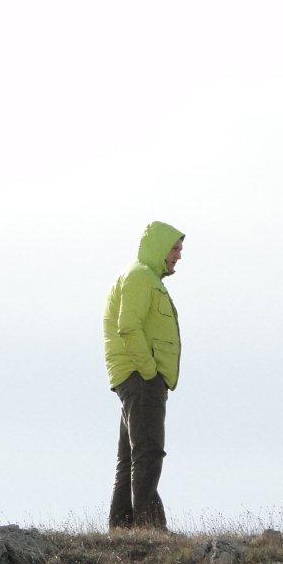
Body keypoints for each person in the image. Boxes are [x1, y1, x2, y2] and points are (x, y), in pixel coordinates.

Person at [104, 221, 184, 530]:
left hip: (135, 377)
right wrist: (150, 372)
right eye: (174, 248)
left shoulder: (143, 277)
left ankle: (122, 530)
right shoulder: (141, 277)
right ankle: (151, 530)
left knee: (131, 458)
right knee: (148, 453)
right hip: (141, 378)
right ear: (159, 247)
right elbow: (128, 326)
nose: (178, 256)